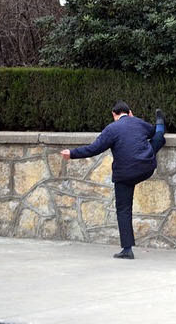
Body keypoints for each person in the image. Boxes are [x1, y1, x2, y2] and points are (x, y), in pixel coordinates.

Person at [61, 101, 166, 260]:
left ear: (114, 115)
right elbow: (152, 133)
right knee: (159, 138)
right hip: (146, 167)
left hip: (124, 174)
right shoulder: (138, 122)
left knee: (123, 209)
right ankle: (161, 122)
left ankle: (127, 249)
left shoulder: (111, 129)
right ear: (130, 112)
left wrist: (72, 153)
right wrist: (152, 130)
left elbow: (94, 148)